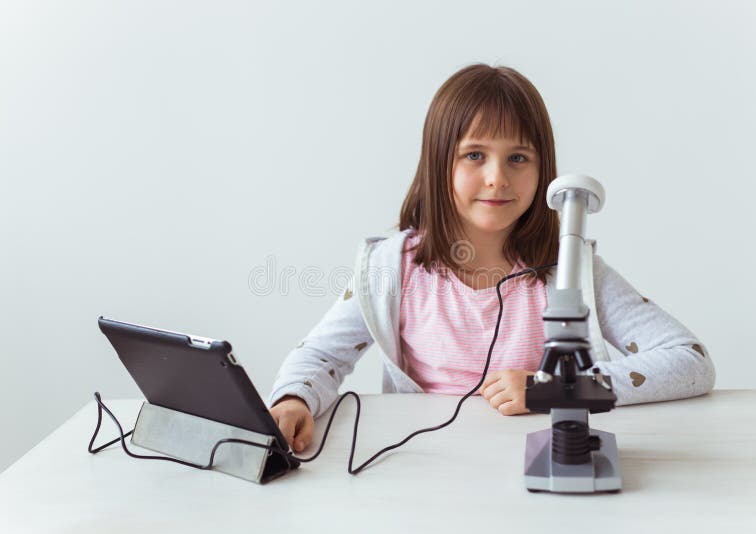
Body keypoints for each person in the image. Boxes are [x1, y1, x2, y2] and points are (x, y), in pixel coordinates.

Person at [267, 63, 716, 454]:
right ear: (438, 165)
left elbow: (691, 362)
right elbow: (321, 356)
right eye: (474, 155)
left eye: (518, 157)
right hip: (421, 475)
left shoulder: (571, 271)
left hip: (533, 470)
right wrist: (293, 401)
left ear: (544, 170)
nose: (497, 178)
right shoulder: (390, 268)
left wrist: (554, 391)